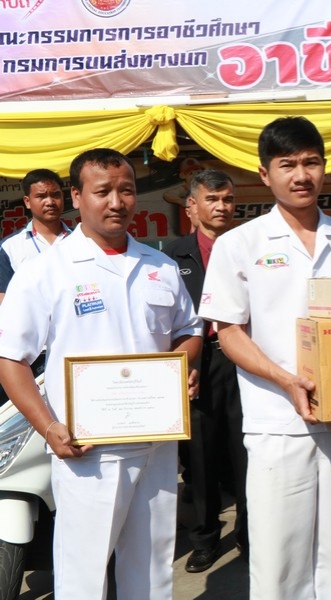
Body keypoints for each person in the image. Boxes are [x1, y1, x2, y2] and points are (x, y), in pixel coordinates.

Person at [0, 148, 202, 599]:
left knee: (152, 567)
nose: (117, 202)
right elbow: (10, 359)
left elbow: (189, 331)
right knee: (83, 574)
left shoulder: (161, 266)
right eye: (103, 191)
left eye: (126, 190)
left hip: (157, 442)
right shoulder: (43, 273)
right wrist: (48, 428)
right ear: (77, 196)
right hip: (86, 450)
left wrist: (184, 367)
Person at [198, 116, 331, 599]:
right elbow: (229, 332)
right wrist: (286, 380)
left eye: (311, 162)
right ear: (265, 174)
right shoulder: (240, 244)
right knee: (280, 557)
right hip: (277, 423)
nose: (301, 175)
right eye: (287, 165)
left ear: (324, 167)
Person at [164, 169, 248, 572]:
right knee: (199, 456)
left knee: (246, 451)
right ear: (192, 207)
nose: (221, 207)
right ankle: (204, 539)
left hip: (244, 358)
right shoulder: (172, 257)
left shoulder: (250, 246)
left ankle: (250, 534)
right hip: (197, 361)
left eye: (228, 199)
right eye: (212, 199)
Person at [0, 168, 71, 303]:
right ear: (27, 202)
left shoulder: (81, 238)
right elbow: (2, 298)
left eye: (56, 195)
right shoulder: (10, 247)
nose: (50, 202)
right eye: (41, 196)